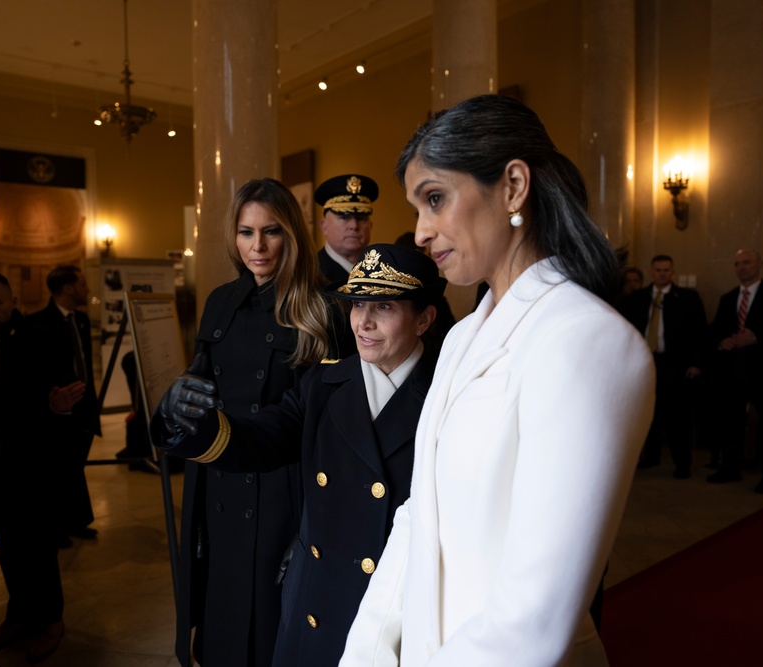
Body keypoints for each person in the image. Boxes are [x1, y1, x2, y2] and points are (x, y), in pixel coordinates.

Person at [338, 94, 655, 666]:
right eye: (416, 208)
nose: (421, 232)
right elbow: (417, 517)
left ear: (512, 186)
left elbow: (534, 619)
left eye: (435, 199)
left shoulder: (585, 339)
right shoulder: (459, 338)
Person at [154, 243, 443, 667]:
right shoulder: (324, 384)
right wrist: (187, 423)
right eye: (356, 304)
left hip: (395, 613)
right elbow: (257, 438)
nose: (363, 322)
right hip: (317, 605)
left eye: (383, 306)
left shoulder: (448, 398)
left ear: (424, 318)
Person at [172, 178, 340, 666]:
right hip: (220, 481)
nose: (258, 247)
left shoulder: (321, 307)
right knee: (223, 613)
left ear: (292, 234)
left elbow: (319, 423)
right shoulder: (221, 301)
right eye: (246, 232)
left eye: (271, 232)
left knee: (272, 621)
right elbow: (200, 382)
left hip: (281, 489)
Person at [0, 271, 84, 662]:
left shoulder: (40, 340)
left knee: (38, 549)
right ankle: (19, 617)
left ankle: (51, 621)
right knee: (7, 548)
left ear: (12, 300)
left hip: (32, 468)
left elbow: (62, 399)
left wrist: (55, 407)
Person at [705, 248, 763, 494]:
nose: (742, 268)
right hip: (734, 370)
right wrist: (722, 341)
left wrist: (757, 337)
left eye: (746, 262)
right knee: (733, 422)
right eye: (737, 264)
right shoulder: (728, 298)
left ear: (760, 264)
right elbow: (716, 329)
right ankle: (730, 468)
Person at [26, 265, 101, 544]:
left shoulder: (80, 319)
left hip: (83, 408)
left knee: (74, 467)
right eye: (82, 284)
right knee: (55, 470)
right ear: (68, 288)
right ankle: (56, 527)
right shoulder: (37, 322)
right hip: (57, 411)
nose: (87, 289)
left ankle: (76, 521)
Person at [622, 255, 706, 478]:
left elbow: (698, 333)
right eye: (658, 270)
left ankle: (682, 463)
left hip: (675, 364)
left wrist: (696, 363)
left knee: (678, 416)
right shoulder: (638, 297)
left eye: (666, 270)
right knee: (649, 412)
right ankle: (650, 457)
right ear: (651, 272)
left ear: (673, 272)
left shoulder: (687, 298)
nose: (662, 274)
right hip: (645, 363)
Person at [315, 174, 378, 285]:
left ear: (371, 226)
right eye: (344, 218)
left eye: (361, 218)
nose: (354, 226)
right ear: (324, 227)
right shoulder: (311, 273)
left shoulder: (383, 270)